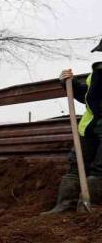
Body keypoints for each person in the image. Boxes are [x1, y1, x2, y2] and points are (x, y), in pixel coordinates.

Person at [44, 39, 102, 213]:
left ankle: (94, 208)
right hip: (90, 128)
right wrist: (71, 84)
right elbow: (89, 96)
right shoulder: (97, 73)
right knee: (76, 165)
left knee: (100, 168)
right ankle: (66, 203)